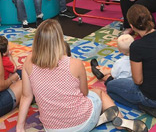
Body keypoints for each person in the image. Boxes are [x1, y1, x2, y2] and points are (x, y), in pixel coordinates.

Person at [16, 19, 147, 132]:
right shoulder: (75, 63)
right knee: (98, 92)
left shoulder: (28, 61)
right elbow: (84, 93)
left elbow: (26, 96)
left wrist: (20, 126)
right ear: (60, 40)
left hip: (52, 128)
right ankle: (121, 120)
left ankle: (99, 119)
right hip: (82, 123)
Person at [106, 4, 156, 120]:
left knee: (110, 88)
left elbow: (138, 80)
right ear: (150, 17)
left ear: (131, 25)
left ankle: (144, 107)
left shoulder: (137, 46)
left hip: (153, 98)